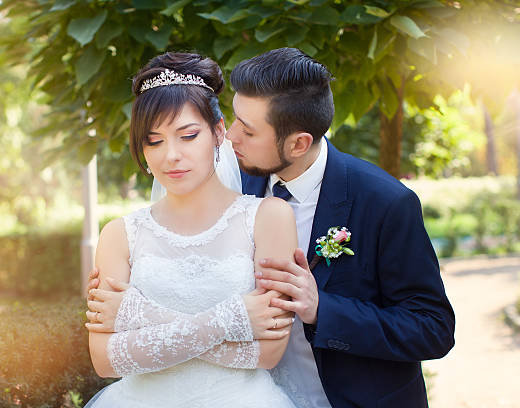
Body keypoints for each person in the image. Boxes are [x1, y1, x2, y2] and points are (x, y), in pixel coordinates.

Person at [89, 47, 456, 407]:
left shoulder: (384, 202)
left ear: (298, 143)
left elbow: (433, 328)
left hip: (346, 398)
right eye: (233, 120)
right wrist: (140, 299)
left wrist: (321, 309)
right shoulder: (234, 184)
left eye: (248, 131)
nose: (230, 137)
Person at [83, 52, 298, 407]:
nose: (171, 155)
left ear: (217, 132)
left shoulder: (268, 217)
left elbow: (267, 353)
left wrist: (139, 318)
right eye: (154, 140)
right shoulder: (119, 234)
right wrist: (233, 318)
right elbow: (105, 359)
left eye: (188, 135)